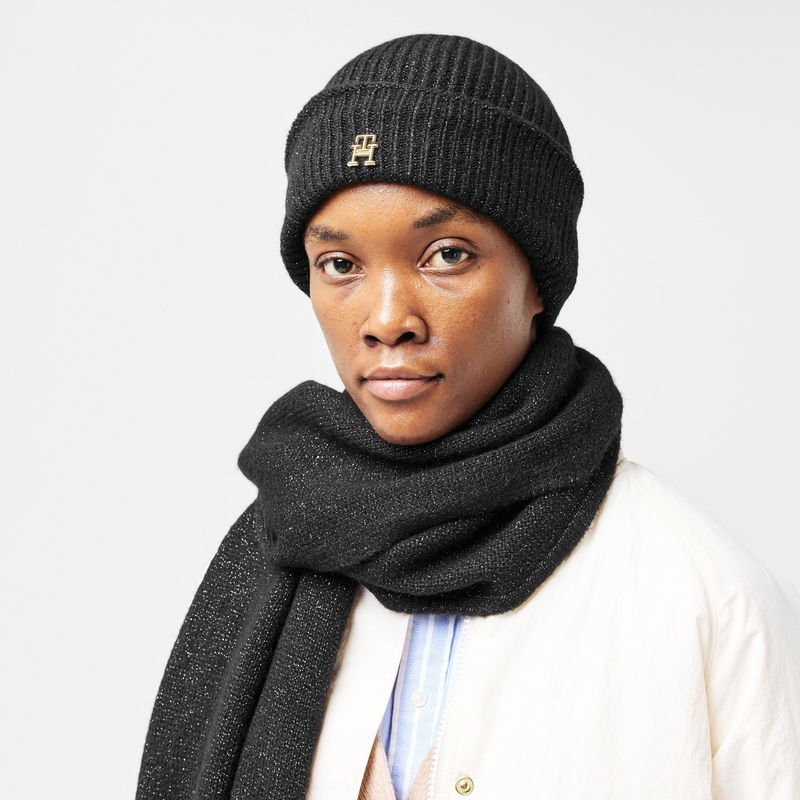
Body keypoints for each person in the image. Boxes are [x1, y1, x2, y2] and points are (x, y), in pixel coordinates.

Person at [135, 33, 800, 800]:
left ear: (538, 277)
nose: (387, 320)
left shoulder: (703, 597)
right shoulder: (280, 540)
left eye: (447, 254)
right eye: (340, 265)